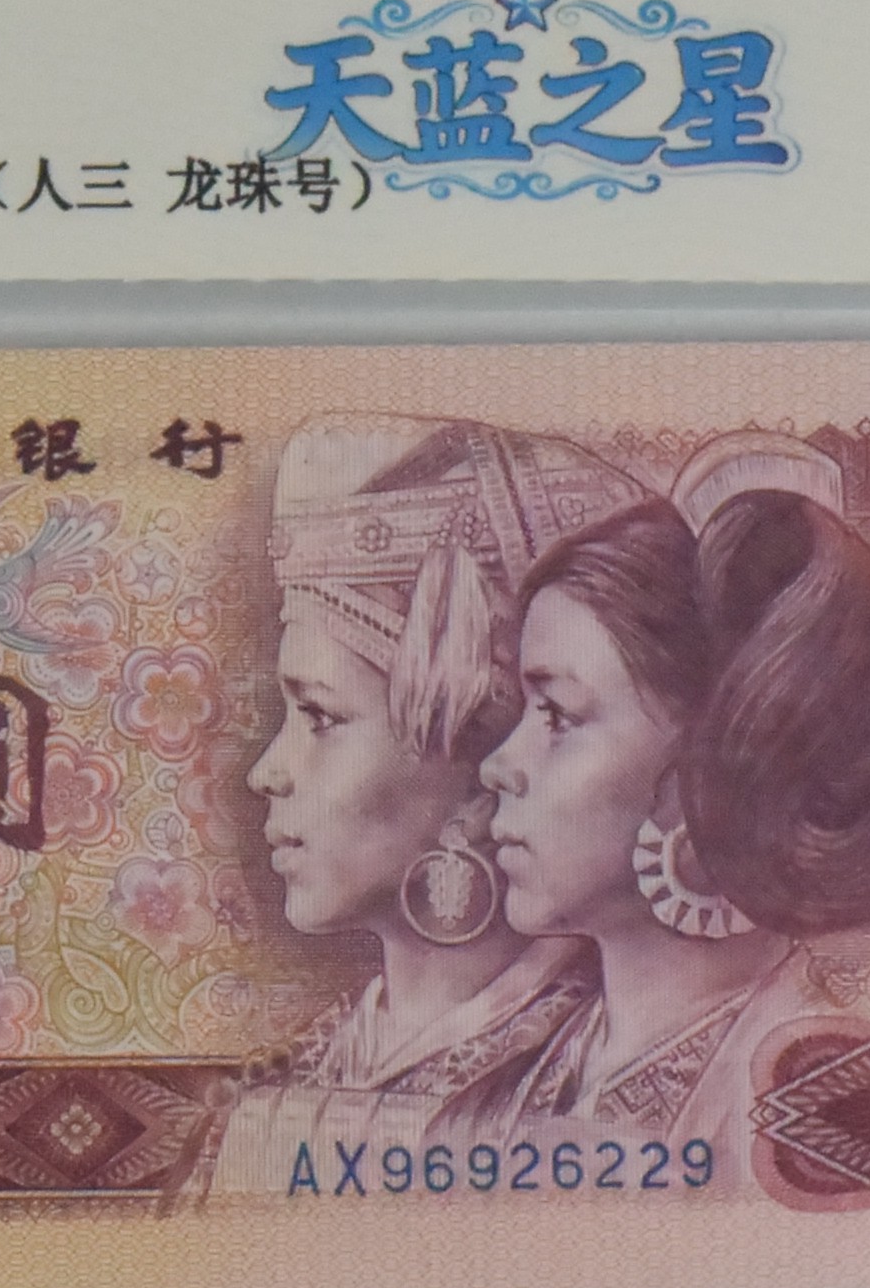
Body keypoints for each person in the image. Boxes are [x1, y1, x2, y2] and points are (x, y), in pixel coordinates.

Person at [472, 431, 870, 1188]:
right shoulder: (504, 1080)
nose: (497, 765)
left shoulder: (825, 1102)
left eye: (558, 715)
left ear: (709, 761)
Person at [210, 416, 644, 1197]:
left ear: (480, 769)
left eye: (320, 717)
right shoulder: (297, 1075)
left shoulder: (608, 1083)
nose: (267, 772)